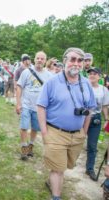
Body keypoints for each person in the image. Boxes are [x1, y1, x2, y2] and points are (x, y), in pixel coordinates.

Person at [37, 47, 96, 200]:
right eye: (72, 59)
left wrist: (84, 131)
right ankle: (56, 197)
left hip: (77, 135)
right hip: (55, 133)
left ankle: (52, 182)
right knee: (57, 169)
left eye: (80, 60)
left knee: (64, 167)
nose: (76, 63)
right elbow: (41, 107)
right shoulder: (52, 82)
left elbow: (89, 109)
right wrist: (44, 133)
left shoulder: (86, 83)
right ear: (65, 61)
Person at [16, 51, 52, 160]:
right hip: (26, 105)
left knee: (35, 128)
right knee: (24, 127)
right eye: (38, 58)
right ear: (34, 59)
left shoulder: (49, 76)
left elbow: (51, 92)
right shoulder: (26, 72)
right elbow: (19, 87)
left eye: (42, 59)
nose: (40, 60)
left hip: (39, 108)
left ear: (45, 61)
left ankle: (31, 146)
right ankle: (24, 148)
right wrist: (18, 103)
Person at [85, 67, 109, 181]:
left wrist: (107, 119)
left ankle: (89, 169)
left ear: (99, 76)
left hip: (96, 120)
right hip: (82, 118)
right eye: (90, 73)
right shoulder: (83, 87)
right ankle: (68, 164)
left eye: (95, 74)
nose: (92, 75)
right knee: (75, 141)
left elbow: (104, 106)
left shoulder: (104, 90)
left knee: (92, 146)